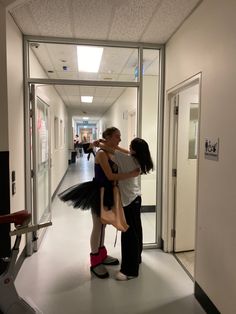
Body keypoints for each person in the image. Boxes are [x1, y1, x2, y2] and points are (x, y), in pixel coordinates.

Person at [58, 127, 139, 279]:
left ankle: (102, 254)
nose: (119, 140)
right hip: (100, 192)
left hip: (109, 192)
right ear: (108, 137)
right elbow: (109, 176)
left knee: (103, 224)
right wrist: (131, 174)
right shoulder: (102, 154)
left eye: (120, 136)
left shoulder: (108, 150)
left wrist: (104, 144)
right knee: (98, 226)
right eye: (117, 136)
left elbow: (128, 153)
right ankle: (95, 260)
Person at [92, 136, 153, 281]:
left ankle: (129, 271)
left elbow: (112, 150)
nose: (120, 140)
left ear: (134, 150)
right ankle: (137, 258)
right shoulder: (137, 159)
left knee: (128, 234)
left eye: (130, 145)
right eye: (117, 136)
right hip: (136, 198)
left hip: (129, 201)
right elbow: (119, 150)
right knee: (136, 229)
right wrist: (107, 143)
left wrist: (100, 143)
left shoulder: (126, 159)